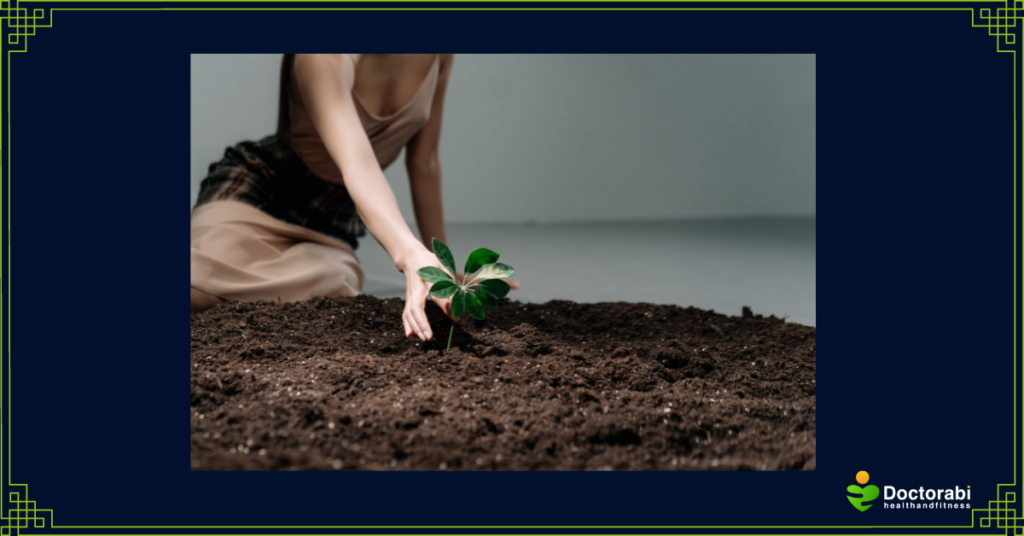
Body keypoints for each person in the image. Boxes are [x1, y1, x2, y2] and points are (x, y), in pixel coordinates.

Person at [191, 54, 494, 342]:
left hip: (331, 220)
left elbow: (424, 162)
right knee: (201, 285)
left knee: (332, 286)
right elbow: (358, 164)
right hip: (258, 196)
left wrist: (442, 269)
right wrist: (411, 255)